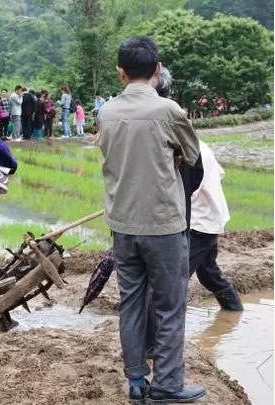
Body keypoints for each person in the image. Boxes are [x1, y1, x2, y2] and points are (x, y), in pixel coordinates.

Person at [97, 35, 204, 404]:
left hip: (123, 225)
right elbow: (191, 155)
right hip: (163, 225)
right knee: (170, 304)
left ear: (121, 73)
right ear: (157, 71)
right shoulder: (169, 111)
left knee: (130, 303)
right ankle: (168, 386)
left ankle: (137, 382)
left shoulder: (106, 112)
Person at [189, 140, 243, 310]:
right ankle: (234, 311)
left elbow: (183, 191)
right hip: (208, 219)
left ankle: (164, 329)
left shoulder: (191, 151)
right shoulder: (197, 145)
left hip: (199, 224)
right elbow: (220, 173)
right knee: (208, 273)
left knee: (176, 277)